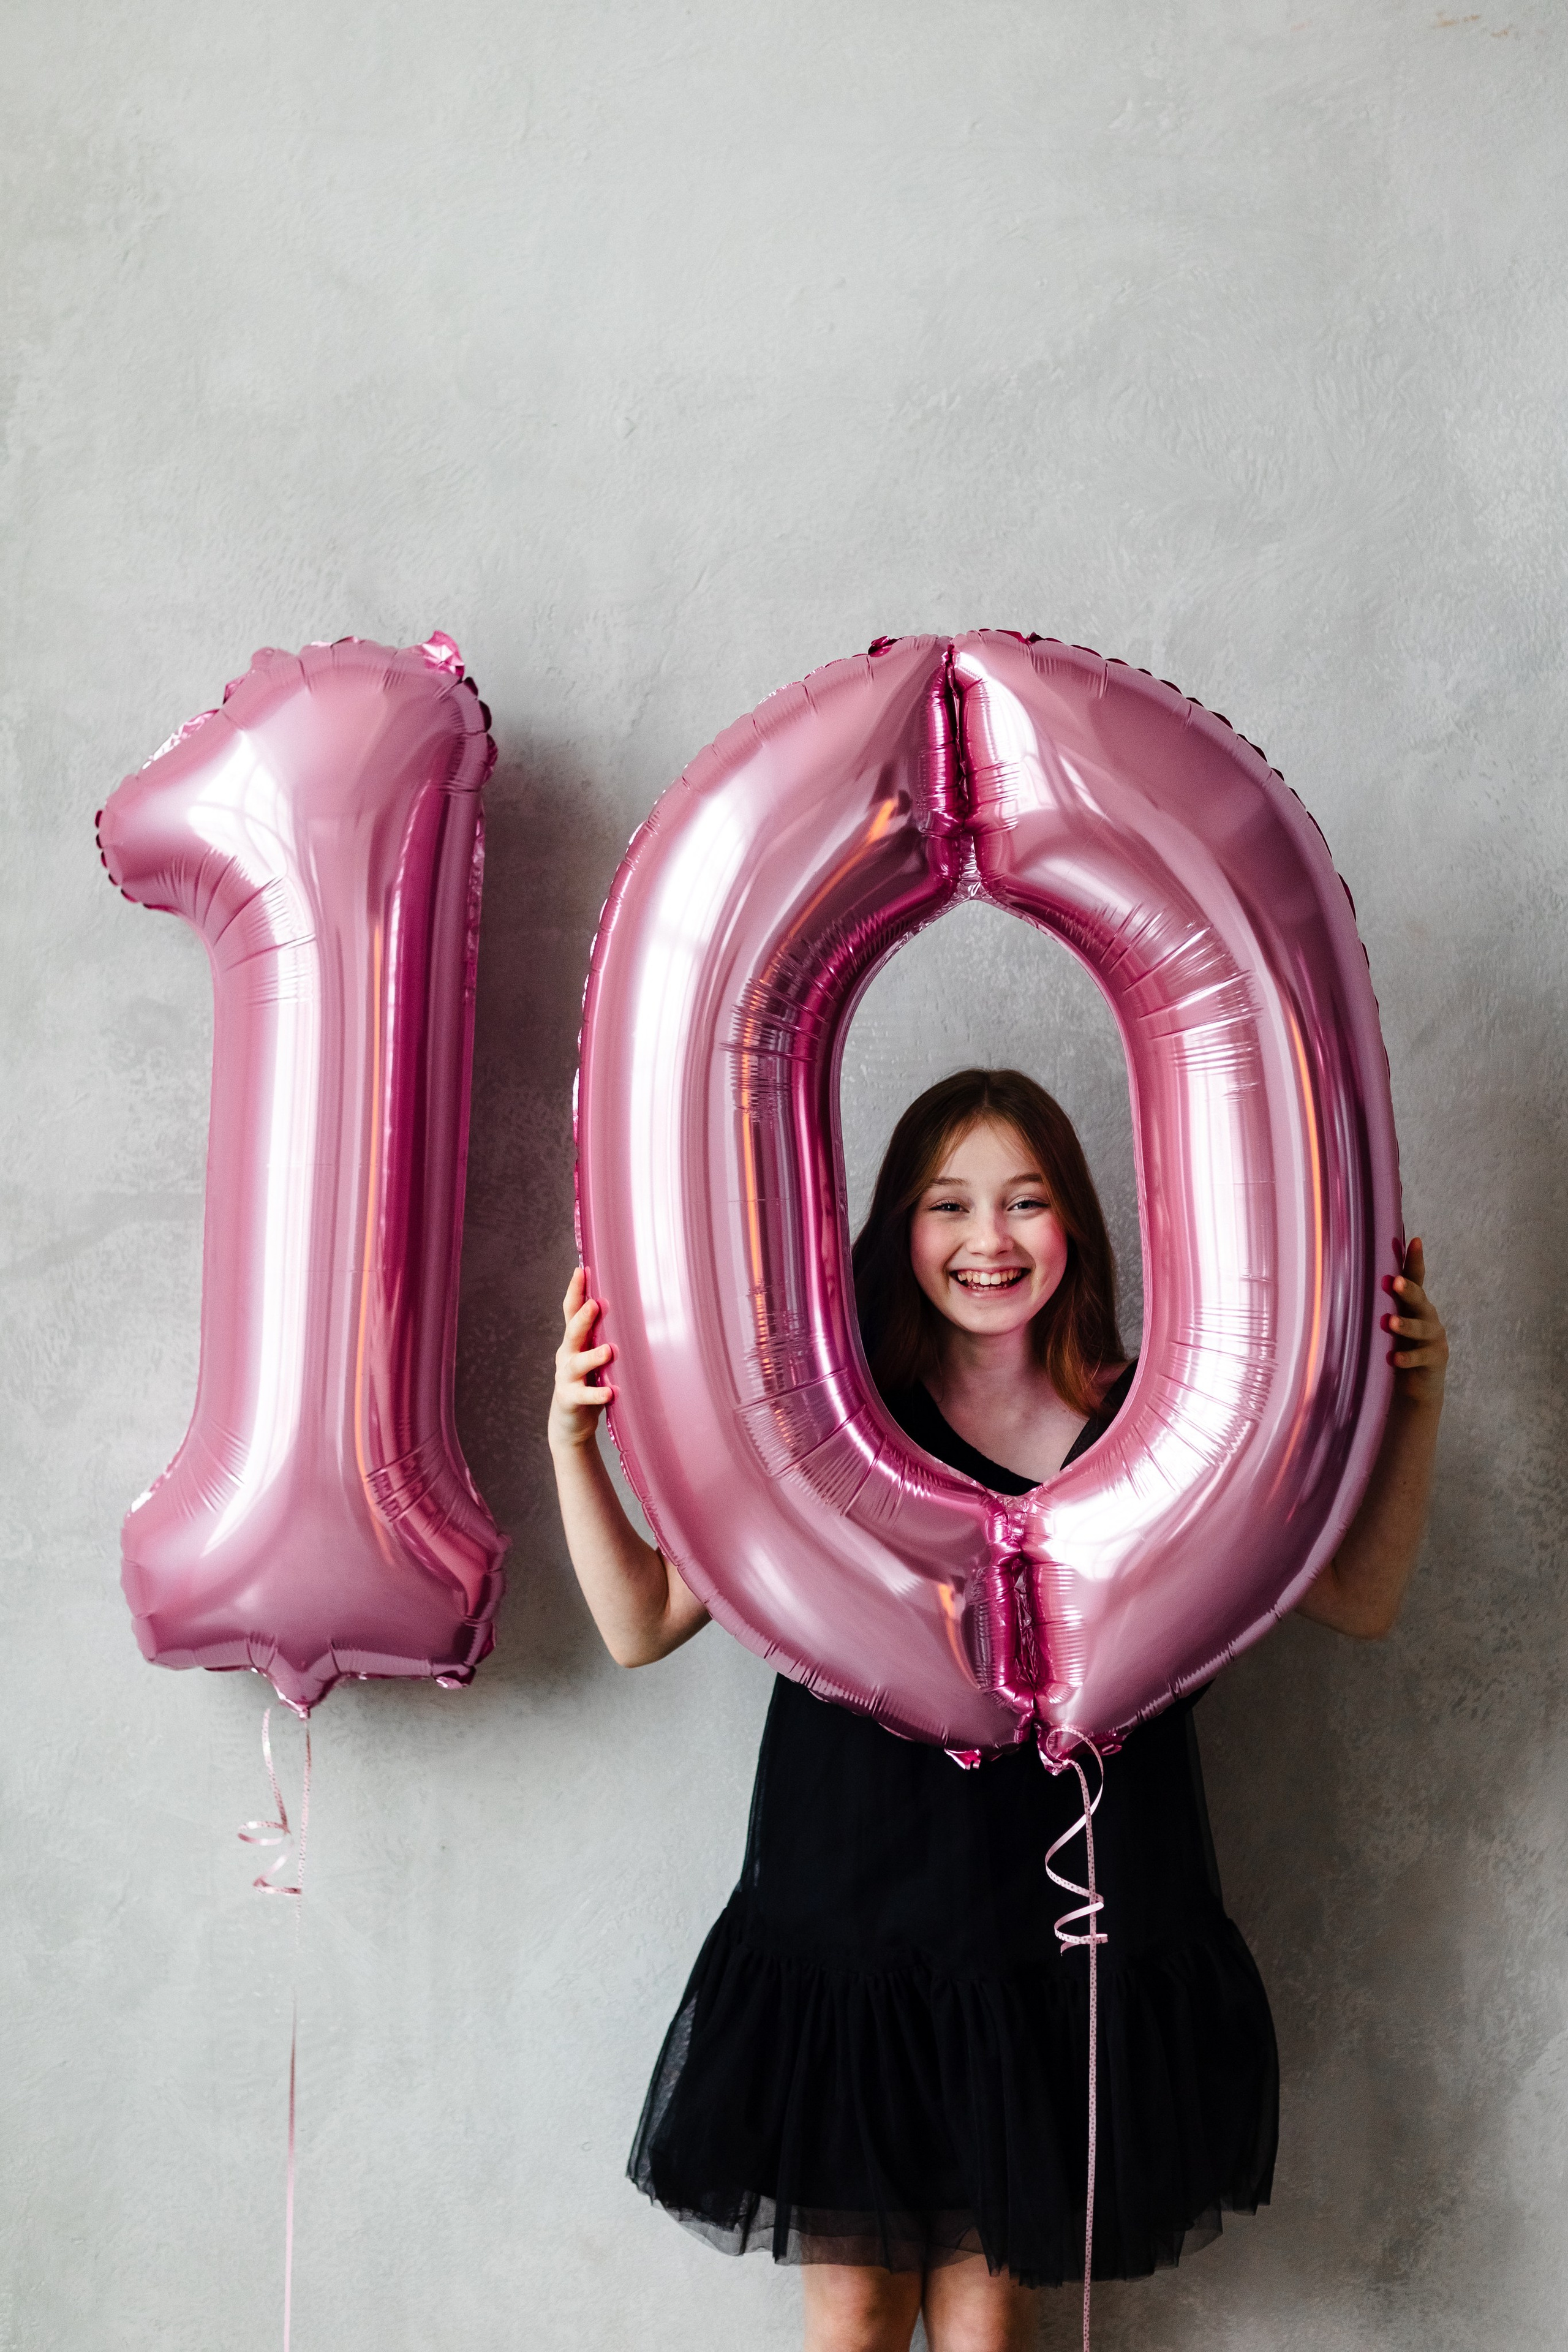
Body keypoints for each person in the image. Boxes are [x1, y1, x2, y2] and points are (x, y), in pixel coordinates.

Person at [548, 1069, 1449, 2352]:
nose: (987, 1240)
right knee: (855, 2307)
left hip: (1049, 1934)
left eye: (1023, 1202)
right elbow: (641, 1624)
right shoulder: (826, 1422)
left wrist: (1414, 1401)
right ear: (896, 1230)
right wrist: (571, 1444)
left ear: (1073, 1223)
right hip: (852, 1918)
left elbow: (1356, 1597)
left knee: (986, 2317)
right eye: (946, 1205)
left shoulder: (1164, 1419)